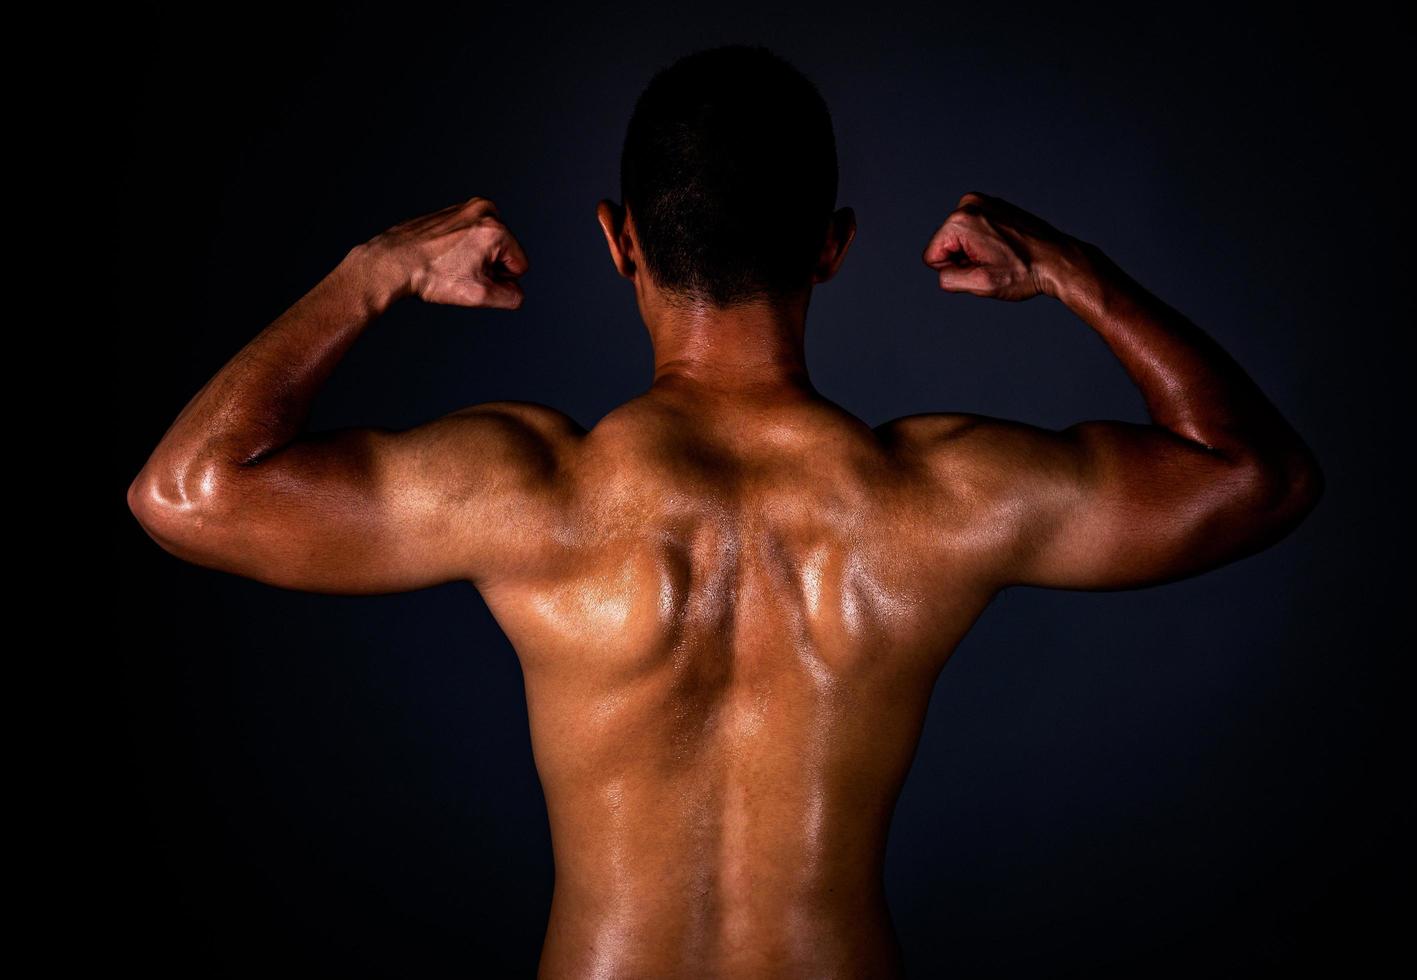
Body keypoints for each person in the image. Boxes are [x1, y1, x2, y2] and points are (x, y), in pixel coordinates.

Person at [127, 43, 1322, 980]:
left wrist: (370, 271)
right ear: (833, 249)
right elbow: (1253, 475)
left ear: (618, 243)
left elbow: (187, 492)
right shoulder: (938, 499)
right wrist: (1075, 271)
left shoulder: (530, 493)